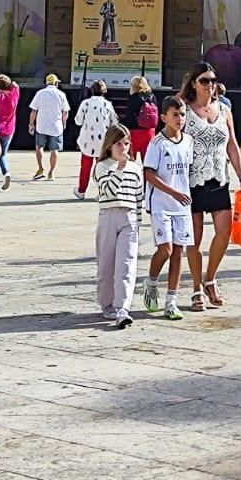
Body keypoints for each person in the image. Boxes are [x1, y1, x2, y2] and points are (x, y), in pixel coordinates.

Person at [178, 62, 241, 310]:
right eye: (204, 81)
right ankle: (196, 287)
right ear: (194, 84)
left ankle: (210, 278)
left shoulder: (224, 109)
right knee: (194, 238)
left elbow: (232, 145)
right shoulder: (184, 110)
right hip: (191, 179)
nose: (210, 85)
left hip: (218, 177)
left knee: (224, 231)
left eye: (213, 80)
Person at [142, 97, 192, 321]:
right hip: (161, 203)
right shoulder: (157, 143)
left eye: (182, 114)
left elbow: (187, 171)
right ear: (164, 117)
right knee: (166, 250)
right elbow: (149, 174)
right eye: (175, 114)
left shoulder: (188, 141)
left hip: (182, 205)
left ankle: (171, 301)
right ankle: (151, 281)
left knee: (179, 252)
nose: (180, 119)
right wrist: (173, 192)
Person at [93, 122, 142, 328]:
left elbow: (139, 196)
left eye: (126, 143)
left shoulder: (135, 168)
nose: (123, 148)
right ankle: (107, 303)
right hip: (108, 215)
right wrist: (119, 169)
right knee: (106, 265)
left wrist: (138, 221)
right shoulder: (102, 167)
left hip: (128, 217)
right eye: (119, 144)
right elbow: (108, 190)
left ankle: (123, 307)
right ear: (109, 146)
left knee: (126, 264)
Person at [74, 81, 118, 200]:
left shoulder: (85, 103)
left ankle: (81, 191)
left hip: (87, 140)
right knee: (103, 167)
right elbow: (114, 122)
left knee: (85, 167)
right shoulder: (108, 104)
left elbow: (78, 121)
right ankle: (102, 192)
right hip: (103, 140)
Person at [29, 74, 70, 181]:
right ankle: (51, 172)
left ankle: (40, 168)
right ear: (56, 83)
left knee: (39, 147)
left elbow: (34, 111)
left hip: (41, 125)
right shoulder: (61, 94)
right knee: (54, 150)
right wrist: (64, 123)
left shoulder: (40, 93)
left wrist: (31, 124)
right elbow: (65, 111)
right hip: (56, 127)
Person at [126, 74, 158, 159]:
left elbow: (129, 116)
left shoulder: (133, 98)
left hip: (135, 132)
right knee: (148, 160)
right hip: (150, 131)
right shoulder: (152, 97)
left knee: (131, 160)